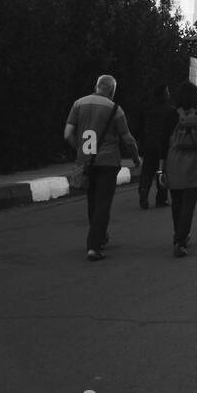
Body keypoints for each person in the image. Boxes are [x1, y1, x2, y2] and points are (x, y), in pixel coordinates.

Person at [64, 74, 140, 261]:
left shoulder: (78, 104)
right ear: (112, 91)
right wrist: (136, 159)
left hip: (87, 161)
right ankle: (94, 246)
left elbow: (67, 134)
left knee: (92, 200)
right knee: (103, 203)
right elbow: (127, 139)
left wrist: (81, 150)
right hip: (108, 162)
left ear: (96, 86)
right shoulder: (115, 109)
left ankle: (99, 236)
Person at [160, 81, 197, 258]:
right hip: (196, 162)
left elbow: (163, 141)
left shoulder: (170, 114)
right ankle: (180, 239)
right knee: (189, 203)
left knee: (176, 201)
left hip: (174, 161)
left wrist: (162, 166)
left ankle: (179, 236)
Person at [136, 84, 172, 209]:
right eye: (167, 91)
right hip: (163, 145)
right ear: (163, 94)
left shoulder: (147, 108)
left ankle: (143, 193)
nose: (169, 94)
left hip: (149, 143)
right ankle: (161, 199)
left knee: (147, 170)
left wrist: (140, 143)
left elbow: (139, 127)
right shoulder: (170, 109)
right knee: (162, 170)